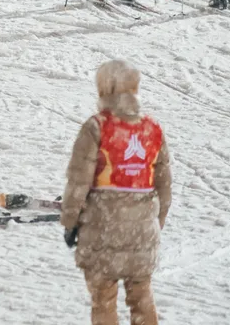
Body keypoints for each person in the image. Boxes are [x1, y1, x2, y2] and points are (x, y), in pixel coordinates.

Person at [61, 59, 172, 325]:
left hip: (102, 228)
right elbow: (165, 186)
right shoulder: (152, 129)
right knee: (142, 297)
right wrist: (156, 223)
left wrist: (70, 221)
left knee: (103, 299)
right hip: (142, 230)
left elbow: (78, 183)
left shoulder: (96, 127)